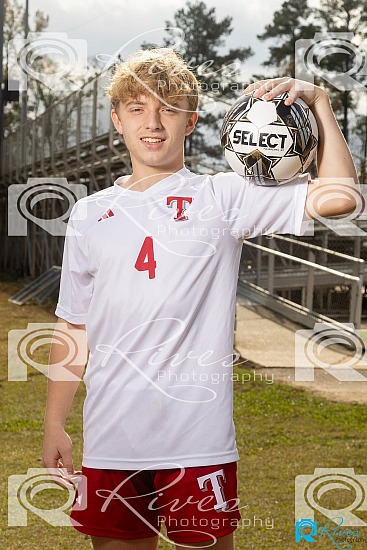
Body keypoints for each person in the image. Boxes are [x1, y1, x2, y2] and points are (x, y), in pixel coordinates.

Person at [42, 48, 358, 550]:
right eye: (138, 109)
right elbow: (73, 326)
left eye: (168, 109)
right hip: (111, 436)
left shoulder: (224, 196)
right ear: (116, 119)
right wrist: (54, 423)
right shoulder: (87, 213)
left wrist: (319, 103)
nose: (153, 122)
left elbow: (342, 196)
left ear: (191, 121)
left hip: (197, 438)